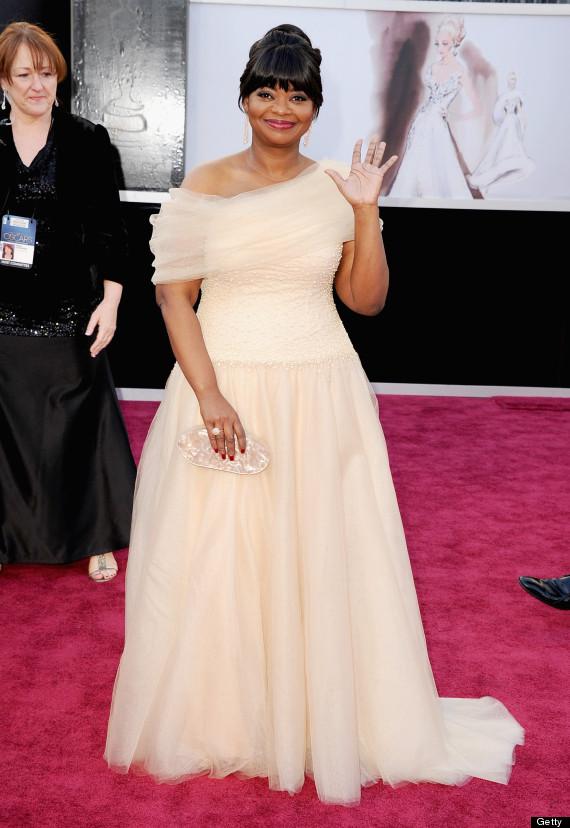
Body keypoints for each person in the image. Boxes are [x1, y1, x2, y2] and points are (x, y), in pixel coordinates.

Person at [105, 25, 523, 804]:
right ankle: (231, 717)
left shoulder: (338, 182)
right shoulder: (206, 183)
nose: (281, 107)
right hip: (223, 385)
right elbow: (174, 298)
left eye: (297, 94)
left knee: (324, 552)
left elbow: (365, 299)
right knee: (219, 559)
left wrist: (365, 213)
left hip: (322, 390)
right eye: (267, 90)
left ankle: (324, 711)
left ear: (315, 106)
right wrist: (210, 394)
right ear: (245, 98)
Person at [0, 22, 136, 581]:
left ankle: (93, 534)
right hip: (2, 310)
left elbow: (110, 229)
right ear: (3, 81)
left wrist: (111, 300)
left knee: (76, 428)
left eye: (47, 72)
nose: (38, 85)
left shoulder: (87, 139)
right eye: (24, 74)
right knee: (6, 433)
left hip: (68, 311)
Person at [389, 17, 481, 199]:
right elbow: (429, 97)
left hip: (437, 125)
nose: (440, 48)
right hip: (422, 120)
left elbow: (476, 106)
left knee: (439, 166)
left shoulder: (460, 71)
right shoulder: (433, 67)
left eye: (445, 44)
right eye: (438, 44)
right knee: (415, 163)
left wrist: (453, 114)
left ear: (454, 44)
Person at [467, 71, 535, 196]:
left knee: (510, 144)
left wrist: (523, 125)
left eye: (514, 79)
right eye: (511, 79)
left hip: (512, 123)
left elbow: (521, 114)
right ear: (507, 81)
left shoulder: (518, 95)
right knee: (498, 148)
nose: (512, 81)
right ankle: (486, 182)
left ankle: (502, 166)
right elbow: (497, 115)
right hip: (506, 124)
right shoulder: (503, 96)